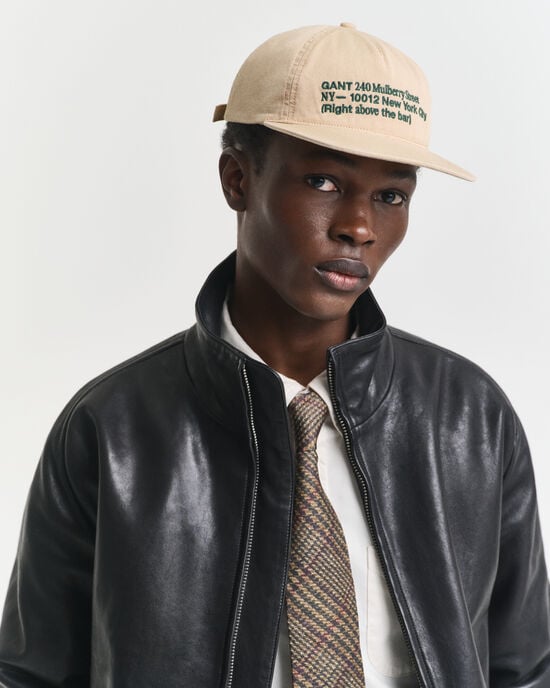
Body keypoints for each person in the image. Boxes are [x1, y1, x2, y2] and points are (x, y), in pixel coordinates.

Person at [1, 21, 549, 688]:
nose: (359, 226)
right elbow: (30, 675)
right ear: (237, 179)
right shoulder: (112, 429)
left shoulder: (471, 419)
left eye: (391, 195)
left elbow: (525, 669)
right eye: (323, 181)